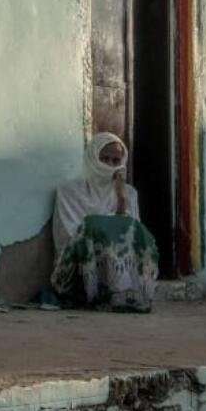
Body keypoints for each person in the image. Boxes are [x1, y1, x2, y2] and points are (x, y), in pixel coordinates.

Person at [50, 133, 158, 313]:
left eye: (116, 161)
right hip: (81, 263)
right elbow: (71, 234)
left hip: (116, 262)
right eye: (104, 158)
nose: (109, 165)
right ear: (92, 157)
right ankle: (93, 293)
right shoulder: (69, 192)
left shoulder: (129, 193)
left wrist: (121, 199)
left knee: (134, 230)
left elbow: (132, 236)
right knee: (92, 226)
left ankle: (122, 294)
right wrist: (102, 233)